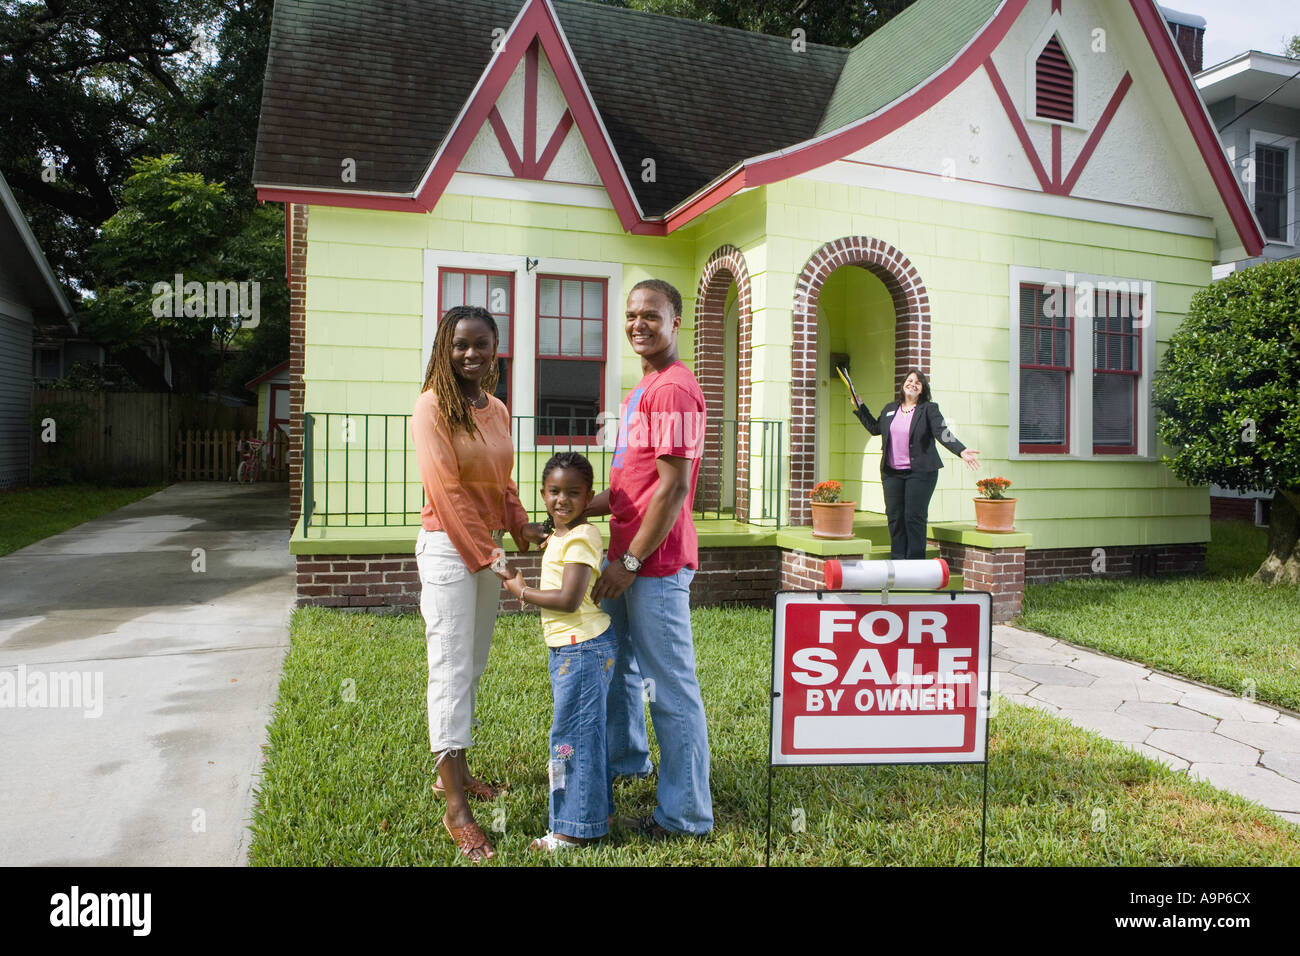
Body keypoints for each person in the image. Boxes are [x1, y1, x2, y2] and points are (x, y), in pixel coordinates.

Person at [411, 304, 544, 862]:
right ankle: (457, 808)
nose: (471, 354)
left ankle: (455, 776)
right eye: (461, 344)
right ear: (447, 347)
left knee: (473, 664)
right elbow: (447, 492)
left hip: (485, 549)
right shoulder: (431, 407)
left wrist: (522, 526)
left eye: (481, 345)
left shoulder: (497, 409)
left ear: (495, 350)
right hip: (449, 548)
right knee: (449, 667)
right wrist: (494, 558)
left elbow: (500, 483)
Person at [585, 278, 713, 838]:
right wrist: (569, 513)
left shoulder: (674, 390)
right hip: (628, 556)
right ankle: (628, 761)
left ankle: (685, 814)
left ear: (676, 322)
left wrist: (629, 563)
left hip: (654, 566)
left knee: (671, 689)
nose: (639, 324)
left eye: (651, 316)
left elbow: (672, 489)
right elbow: (631, 485)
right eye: (632, 315)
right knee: (619, 672)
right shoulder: (642, 388)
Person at [497, 452, 617, 852]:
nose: (561, 499)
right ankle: (596, 815)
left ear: (589, 497)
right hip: (576, 651)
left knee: (568, 740)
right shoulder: (563, 535)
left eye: (572, 493)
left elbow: (568, 599)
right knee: (586, 736)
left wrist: (521, 590)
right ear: (543, 494)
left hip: (580, 651)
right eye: (553, 491)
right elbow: (548, 537)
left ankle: (571, 828)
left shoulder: (583, 537)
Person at [852, 367, 980, 560]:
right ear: (903, 385)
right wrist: (860, 407)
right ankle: (898, 558)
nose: (912, 384)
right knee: (895, 517)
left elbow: (942, 432)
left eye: (917, 382)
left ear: (922, 389)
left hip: (920, 473)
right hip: (892, 473)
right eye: (909, 380)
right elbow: (874, 428)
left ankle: (915, 562)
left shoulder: (929, 409)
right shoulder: (890, 409)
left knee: (913, 517)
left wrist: (961, 450)